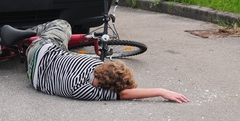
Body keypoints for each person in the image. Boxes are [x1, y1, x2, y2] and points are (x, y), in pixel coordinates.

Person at [26, 19, 189, 103]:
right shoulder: (83, 90)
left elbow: (124, 93)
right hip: (33, 75)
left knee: (62, 24)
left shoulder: (94, 63)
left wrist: (162, 90)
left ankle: (24, 32)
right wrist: (160, 92)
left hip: (43, 49)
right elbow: (124, 94)